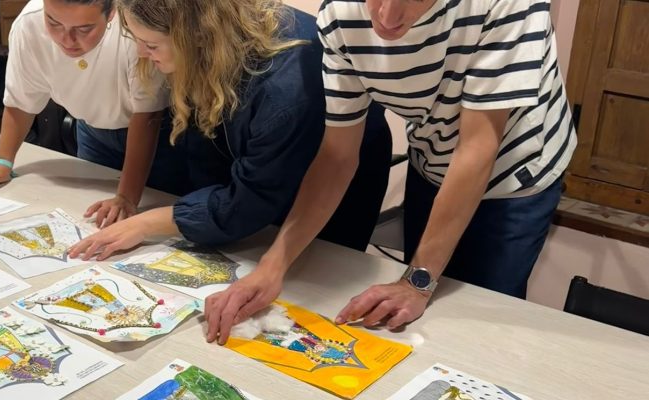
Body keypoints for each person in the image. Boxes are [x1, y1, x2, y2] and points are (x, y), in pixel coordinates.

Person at [204, 0, 577, 344]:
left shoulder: (508, 4)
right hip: (432, 154)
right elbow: (337, 156)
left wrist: (417, 281)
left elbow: (477, 150)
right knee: (418, 318)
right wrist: (273, 265)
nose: (386, 17)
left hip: (516, 172)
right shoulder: (341, 13)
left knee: (480, 323)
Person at [67, 0, 392, 260]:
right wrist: (189, 217)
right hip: (263, 183)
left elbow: (249, 202)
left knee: (314, 281)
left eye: (150, 45)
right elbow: (208, 157)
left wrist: (148, 223)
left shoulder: (285, 91)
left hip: (334, 192)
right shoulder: (214, 45)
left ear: (196, 35)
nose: (141, 53)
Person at [0, 0, 186, 226]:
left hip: (160, 135)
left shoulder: (134, 30)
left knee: (159, 215)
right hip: (93, 132)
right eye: (53, 23)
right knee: (87, 214)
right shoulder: (29, 23)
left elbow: (148, 116)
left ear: (111, 13)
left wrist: (127, 197)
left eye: (84, 29)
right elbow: (21, 99)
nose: (66, 40)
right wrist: (3, 162)